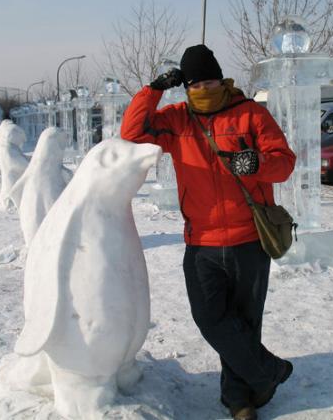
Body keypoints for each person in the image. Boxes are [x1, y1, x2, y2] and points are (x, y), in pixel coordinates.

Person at [120, 44, 296, 420]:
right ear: (185, 86)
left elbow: (284, 163)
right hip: (200, 243)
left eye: (209, 80)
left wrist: (257, 163)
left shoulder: (250, 113)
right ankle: (269, 372)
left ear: (222, 78)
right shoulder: (178, 120)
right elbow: (132, 132)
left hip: (250, 239)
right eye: (194, 82)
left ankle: (239, 400)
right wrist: (154, 88)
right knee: (211, 319)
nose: (203, 88)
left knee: (245, 323)